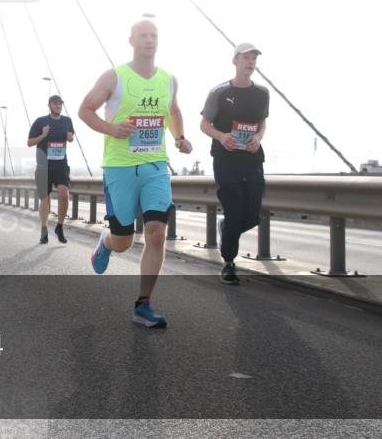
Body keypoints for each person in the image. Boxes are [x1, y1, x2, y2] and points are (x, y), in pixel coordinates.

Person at [79, 19, 192, 328]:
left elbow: (173, 111)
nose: (149, 40)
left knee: (157, 233)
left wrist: (180, 137)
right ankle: (106, 242)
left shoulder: (168, 80)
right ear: (131, 40)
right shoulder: (114, 77)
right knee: (124, 241)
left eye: (154, 35)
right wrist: (111, 128)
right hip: (120, 167)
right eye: (143, 35)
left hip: (156, 166)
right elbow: (85, 109)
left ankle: (144, 304)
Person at [200, 43, 269, 285]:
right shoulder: (218, 92)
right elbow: (204, 124)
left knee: (251, 216)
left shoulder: (262, 93)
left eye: (253, 58)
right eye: (246, 57)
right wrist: (222, 136)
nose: (251, 62)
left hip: (252, 159)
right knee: (234, 211)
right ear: (235, 61)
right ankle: (228, 262)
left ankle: (226, 227)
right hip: (225, 159)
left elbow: (262, 123)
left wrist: (258, 138)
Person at [28, 95, 75, 244]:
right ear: (49, 105)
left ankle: (59, 227)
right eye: (55, 104)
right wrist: (43, 135)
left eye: (60, 104)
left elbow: (71, 137)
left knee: (64, 194)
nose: (58, 106)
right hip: (43, 166)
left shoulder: (67, 121)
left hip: (61, 164)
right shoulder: (40, 121)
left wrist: (70, 137)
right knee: (45, 199)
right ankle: (43, 229)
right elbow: (29, 142)